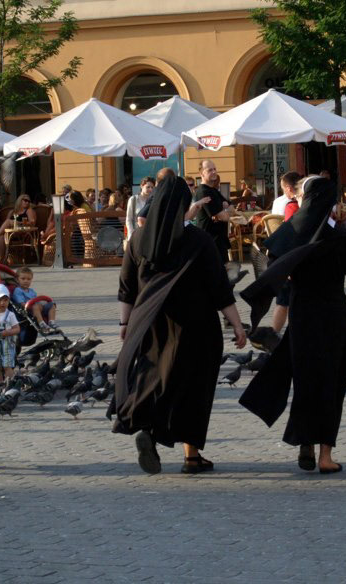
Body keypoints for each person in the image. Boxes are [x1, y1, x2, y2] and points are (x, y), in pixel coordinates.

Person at [239, 177, 346, 474]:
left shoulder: (292, 232)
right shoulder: (339, 236)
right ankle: (324, 455)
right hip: (334, 318)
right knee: (332, 384)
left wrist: (289, 276)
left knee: (307, 382)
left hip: (303, 317)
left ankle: (305, 440)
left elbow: (271, 257)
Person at [112, 173, 246, 475]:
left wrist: (124, 323)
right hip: (196, 326)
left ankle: (147, 428)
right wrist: (237, 325)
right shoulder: (198, 240)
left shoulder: (137, 240)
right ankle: (192, 455)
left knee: (155, 379)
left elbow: (126, 286)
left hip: (150, 322)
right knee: (194, 387)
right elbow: (219, 288)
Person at [192, 160, 232, 263]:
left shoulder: (213, 190)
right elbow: (224, 217)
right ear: (202, 174)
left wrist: (225, 209)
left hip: (219, 241)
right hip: (210, 242)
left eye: (214, 169)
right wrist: (225, 209)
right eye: (210, 170)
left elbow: (232, 209)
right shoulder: (203, 191)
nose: (214, 172)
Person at [12, 266, 59, 334]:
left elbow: (36, 300)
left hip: (37, 308)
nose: (26, 281)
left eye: (28, 279)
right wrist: (32, 305)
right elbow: (21, 303)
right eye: (23, 279)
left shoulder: (31, 291)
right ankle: (41, 324)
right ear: (17, 280)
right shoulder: (18, 291)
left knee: (52, 305)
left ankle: (51, 322)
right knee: (35, 306)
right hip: (28, 310)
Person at [0, 194, 36, 261]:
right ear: (20, 200)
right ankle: (1, 260)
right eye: (25, 200)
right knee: (2, 236)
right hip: (11, 232)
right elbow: (6, 224)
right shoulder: (12, 212)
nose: (27, 202)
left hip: (21, 231)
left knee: (9, 221)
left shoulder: (29, 210)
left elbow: (32, 222)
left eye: (29, 201)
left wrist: (20, 222)